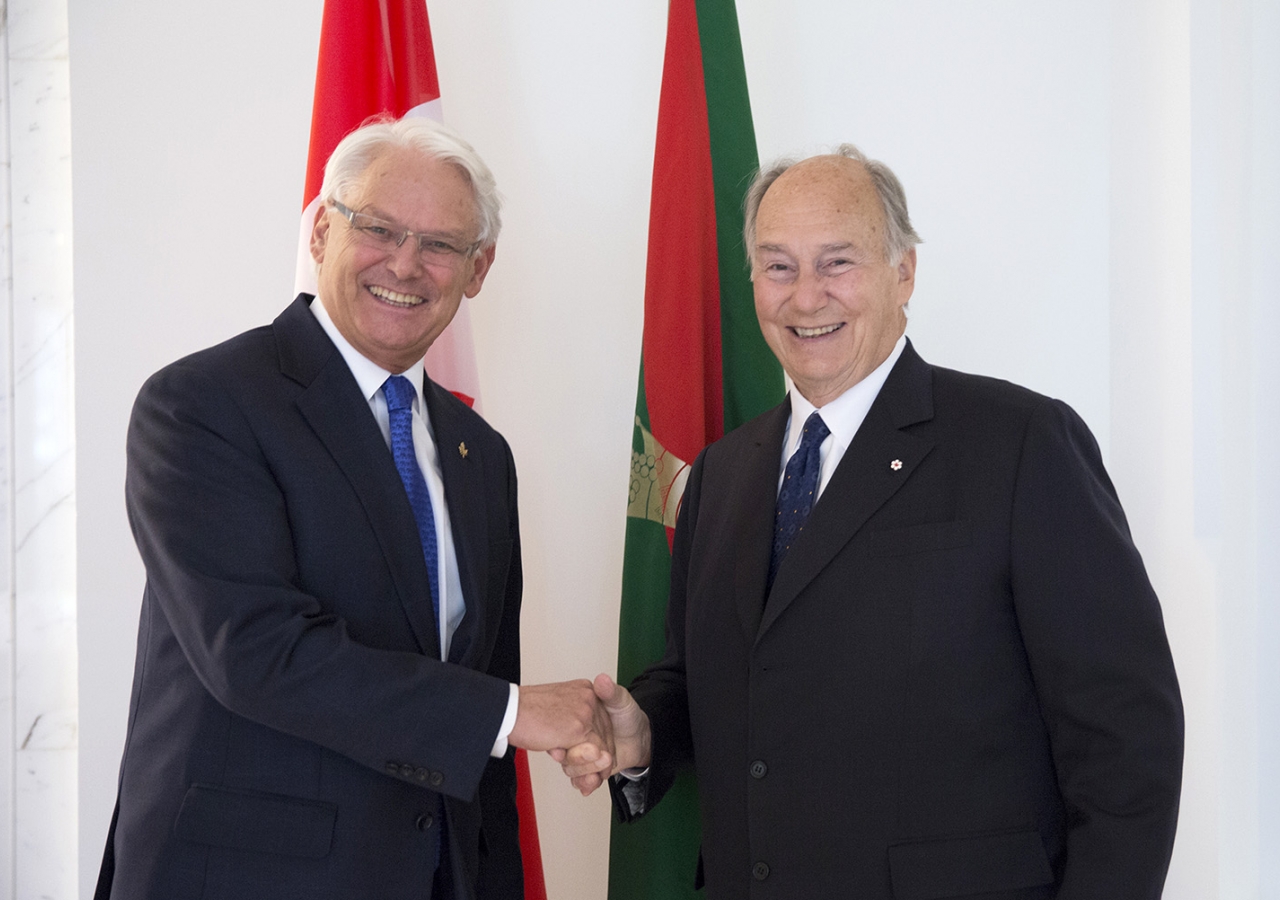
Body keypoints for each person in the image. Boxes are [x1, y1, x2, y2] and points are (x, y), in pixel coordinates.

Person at [564, 146, 1184, 898]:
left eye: (837, 263)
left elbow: (1126, 738)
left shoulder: (1021, 445)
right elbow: (713, 680)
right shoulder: (722, 474)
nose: (806, 298)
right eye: (779, 266)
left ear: (904, 273)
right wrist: (642, 736)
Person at [95, 117, 612, 900]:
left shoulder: (481, 454)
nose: (405, 263)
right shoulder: (204, 404)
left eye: (440, 244)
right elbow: (256, 654)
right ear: (322, 233)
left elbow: (483, 729)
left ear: (478, 270)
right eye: (377, 228)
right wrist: (510, 714)